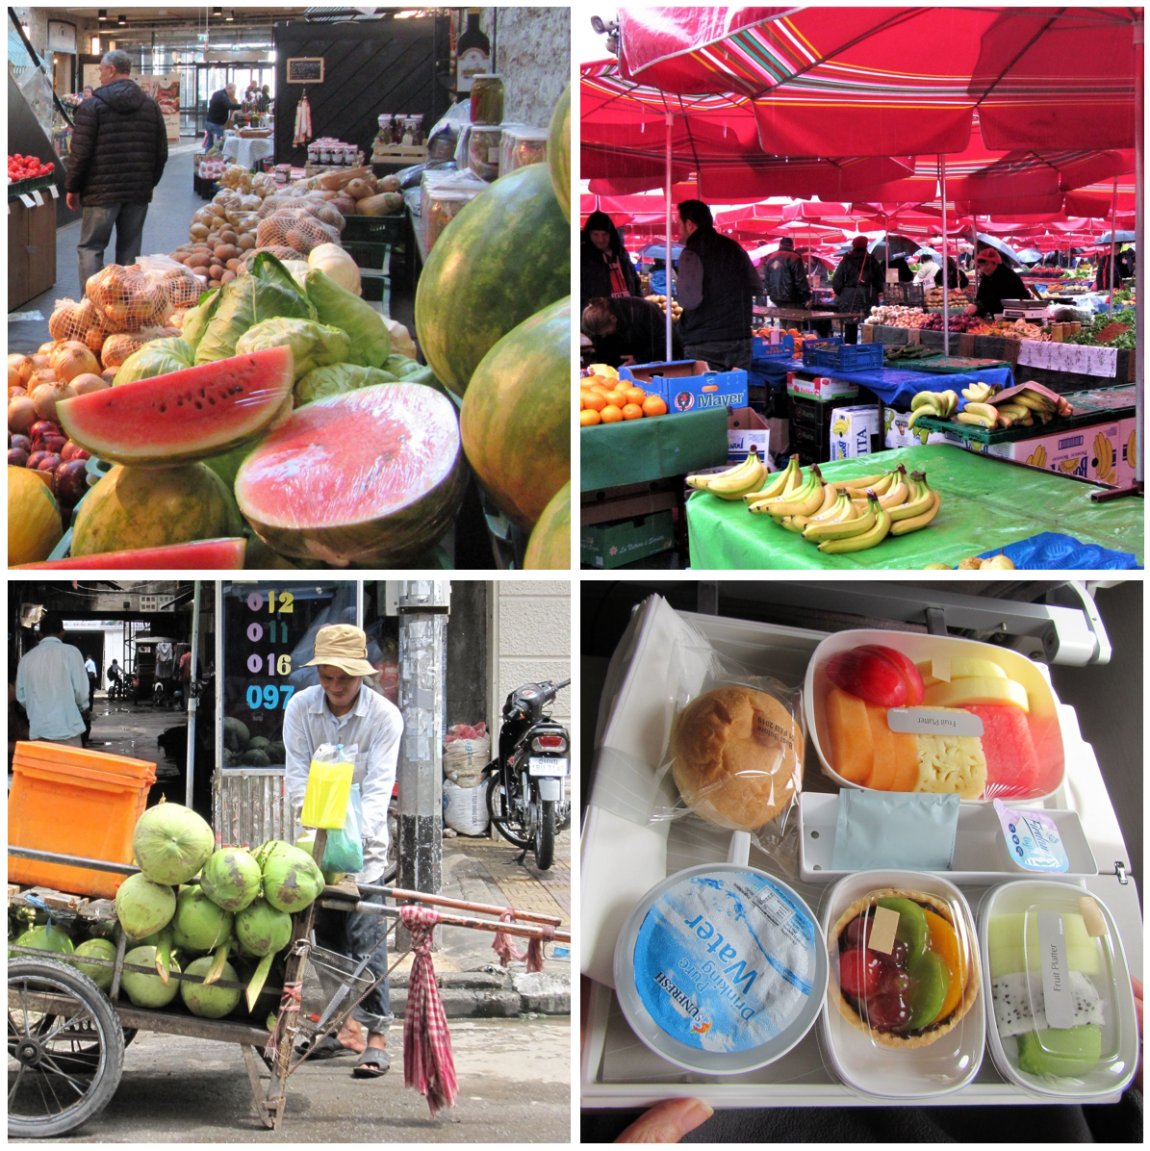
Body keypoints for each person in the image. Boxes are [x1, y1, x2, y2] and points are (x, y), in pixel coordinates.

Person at [283, 624, 403, 1080]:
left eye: (344, 679)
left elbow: (376, 794)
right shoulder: (300, 709)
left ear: (361, 676)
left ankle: (376, 1037)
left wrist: (350, 845)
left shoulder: (384, 718)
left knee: (367, 941)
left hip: (365, 849)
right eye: (327, 677)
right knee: (327, 941)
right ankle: (342, 1027)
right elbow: (297, 779)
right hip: (314, 846)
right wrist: (319, 838)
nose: (335, 688)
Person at [65, 50, 168, 290]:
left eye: (101, 70)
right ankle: (127, 307)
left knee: (91, 247)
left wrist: (73, 186)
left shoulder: (93, 106)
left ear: (111, 70)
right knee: (130, 251)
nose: (99, 76)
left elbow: (80, 153)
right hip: (137, 192)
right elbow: (161, 152)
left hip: (101, 192)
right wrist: (147, 183)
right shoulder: (150, 106)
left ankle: (93, 307)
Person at [675, 199, 763, 372]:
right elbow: (756, 286)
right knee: (736, 395)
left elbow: (688, 301)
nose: (677, 230)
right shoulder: (734, 247)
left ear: (690, 225)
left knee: (707, 396)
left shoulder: (692, 252)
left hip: (705, 343)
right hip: (740, 340)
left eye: (679, 224)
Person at [14, 613, 91, 748]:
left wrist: (38, 708)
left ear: (39, 634)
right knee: (68, 769)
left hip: (39, 732)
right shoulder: (72, 653)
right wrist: (83, 708)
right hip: (68, 731)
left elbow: (21, 696)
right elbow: (81, 692)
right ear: (62, 632)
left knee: (42, 769)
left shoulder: (26, 659)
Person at [581, 295, 683, 368]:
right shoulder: (600, 323)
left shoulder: (643, 310)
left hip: (660, 363)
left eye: (606, 332)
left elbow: (665, 339)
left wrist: (639, 359)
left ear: (613, 319)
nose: (604, 336)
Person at [581, 211, 641, 308]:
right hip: (600, 314)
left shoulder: (621, 253)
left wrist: (639, 305)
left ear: (611, 234)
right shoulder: (584, 257)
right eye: (595, 234)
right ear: (589, 235)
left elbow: (635, 281)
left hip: (627, 310)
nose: (601, 239)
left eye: (605, 234)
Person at [831, 236, 885, 337]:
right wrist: (877, 291)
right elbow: (880, 281)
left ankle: (850, 349)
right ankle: (868, 348)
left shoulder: (846, 261)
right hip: (869, 296)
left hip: (849, 297)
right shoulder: (872, 261)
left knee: (850, 325)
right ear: (866, 245)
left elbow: (836, 282)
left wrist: (843, 293)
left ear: (853, 245)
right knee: (870, 325)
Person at [964, 247, 1032, 318]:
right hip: (999, 316)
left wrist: (978, 305)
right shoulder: (987, 276)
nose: (983, 268)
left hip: (1016, 316)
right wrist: (976, 312)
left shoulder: (1007, 276)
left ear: (995, 263)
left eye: (986, 264)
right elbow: (981, 296)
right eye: (981, 265)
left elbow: (998, 297)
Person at [760, 237, 812, 309]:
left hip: (776, 298)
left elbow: (767, 280)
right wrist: (807, 296)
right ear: (792, 246)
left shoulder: (771, 258)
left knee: (784, 319)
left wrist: (771, 293)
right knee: (794, 318)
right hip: (793, 298)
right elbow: (800, 280)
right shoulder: (795, 257)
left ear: (780, 245)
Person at [205, 82, 241, 150]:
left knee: (210, 145)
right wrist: (243, 106)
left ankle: (207, 158)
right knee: (219, 145)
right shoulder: (223, 96)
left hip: (209, 121)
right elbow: (230, 106)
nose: (233, 93)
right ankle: (216, 160)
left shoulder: (217, 93)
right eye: (233, 91)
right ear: (229, 89)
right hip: (216, 124)